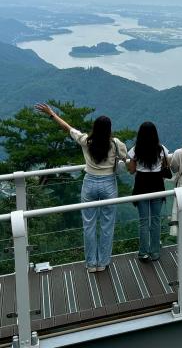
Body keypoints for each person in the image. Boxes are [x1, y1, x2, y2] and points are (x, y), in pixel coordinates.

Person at [34, 103, 127, 273]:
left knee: (89, 224)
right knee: (107, 225)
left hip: (90, 182)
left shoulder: (86, 141)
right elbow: (126, 158)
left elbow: (67, 127)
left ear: (95, 128)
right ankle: (103, 262)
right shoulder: (115, 143)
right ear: (109, 129)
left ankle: (91, 264)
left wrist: (52, 114)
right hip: (108, 184)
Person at [127, 122, 169, 262]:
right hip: (157, 185)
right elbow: (165, 167)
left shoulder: (135, 150)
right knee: (156, 220)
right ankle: (155, 252)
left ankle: (143, 252)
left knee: (143, 222)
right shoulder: (161, 149)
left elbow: (132, 170)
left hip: (141, 185)